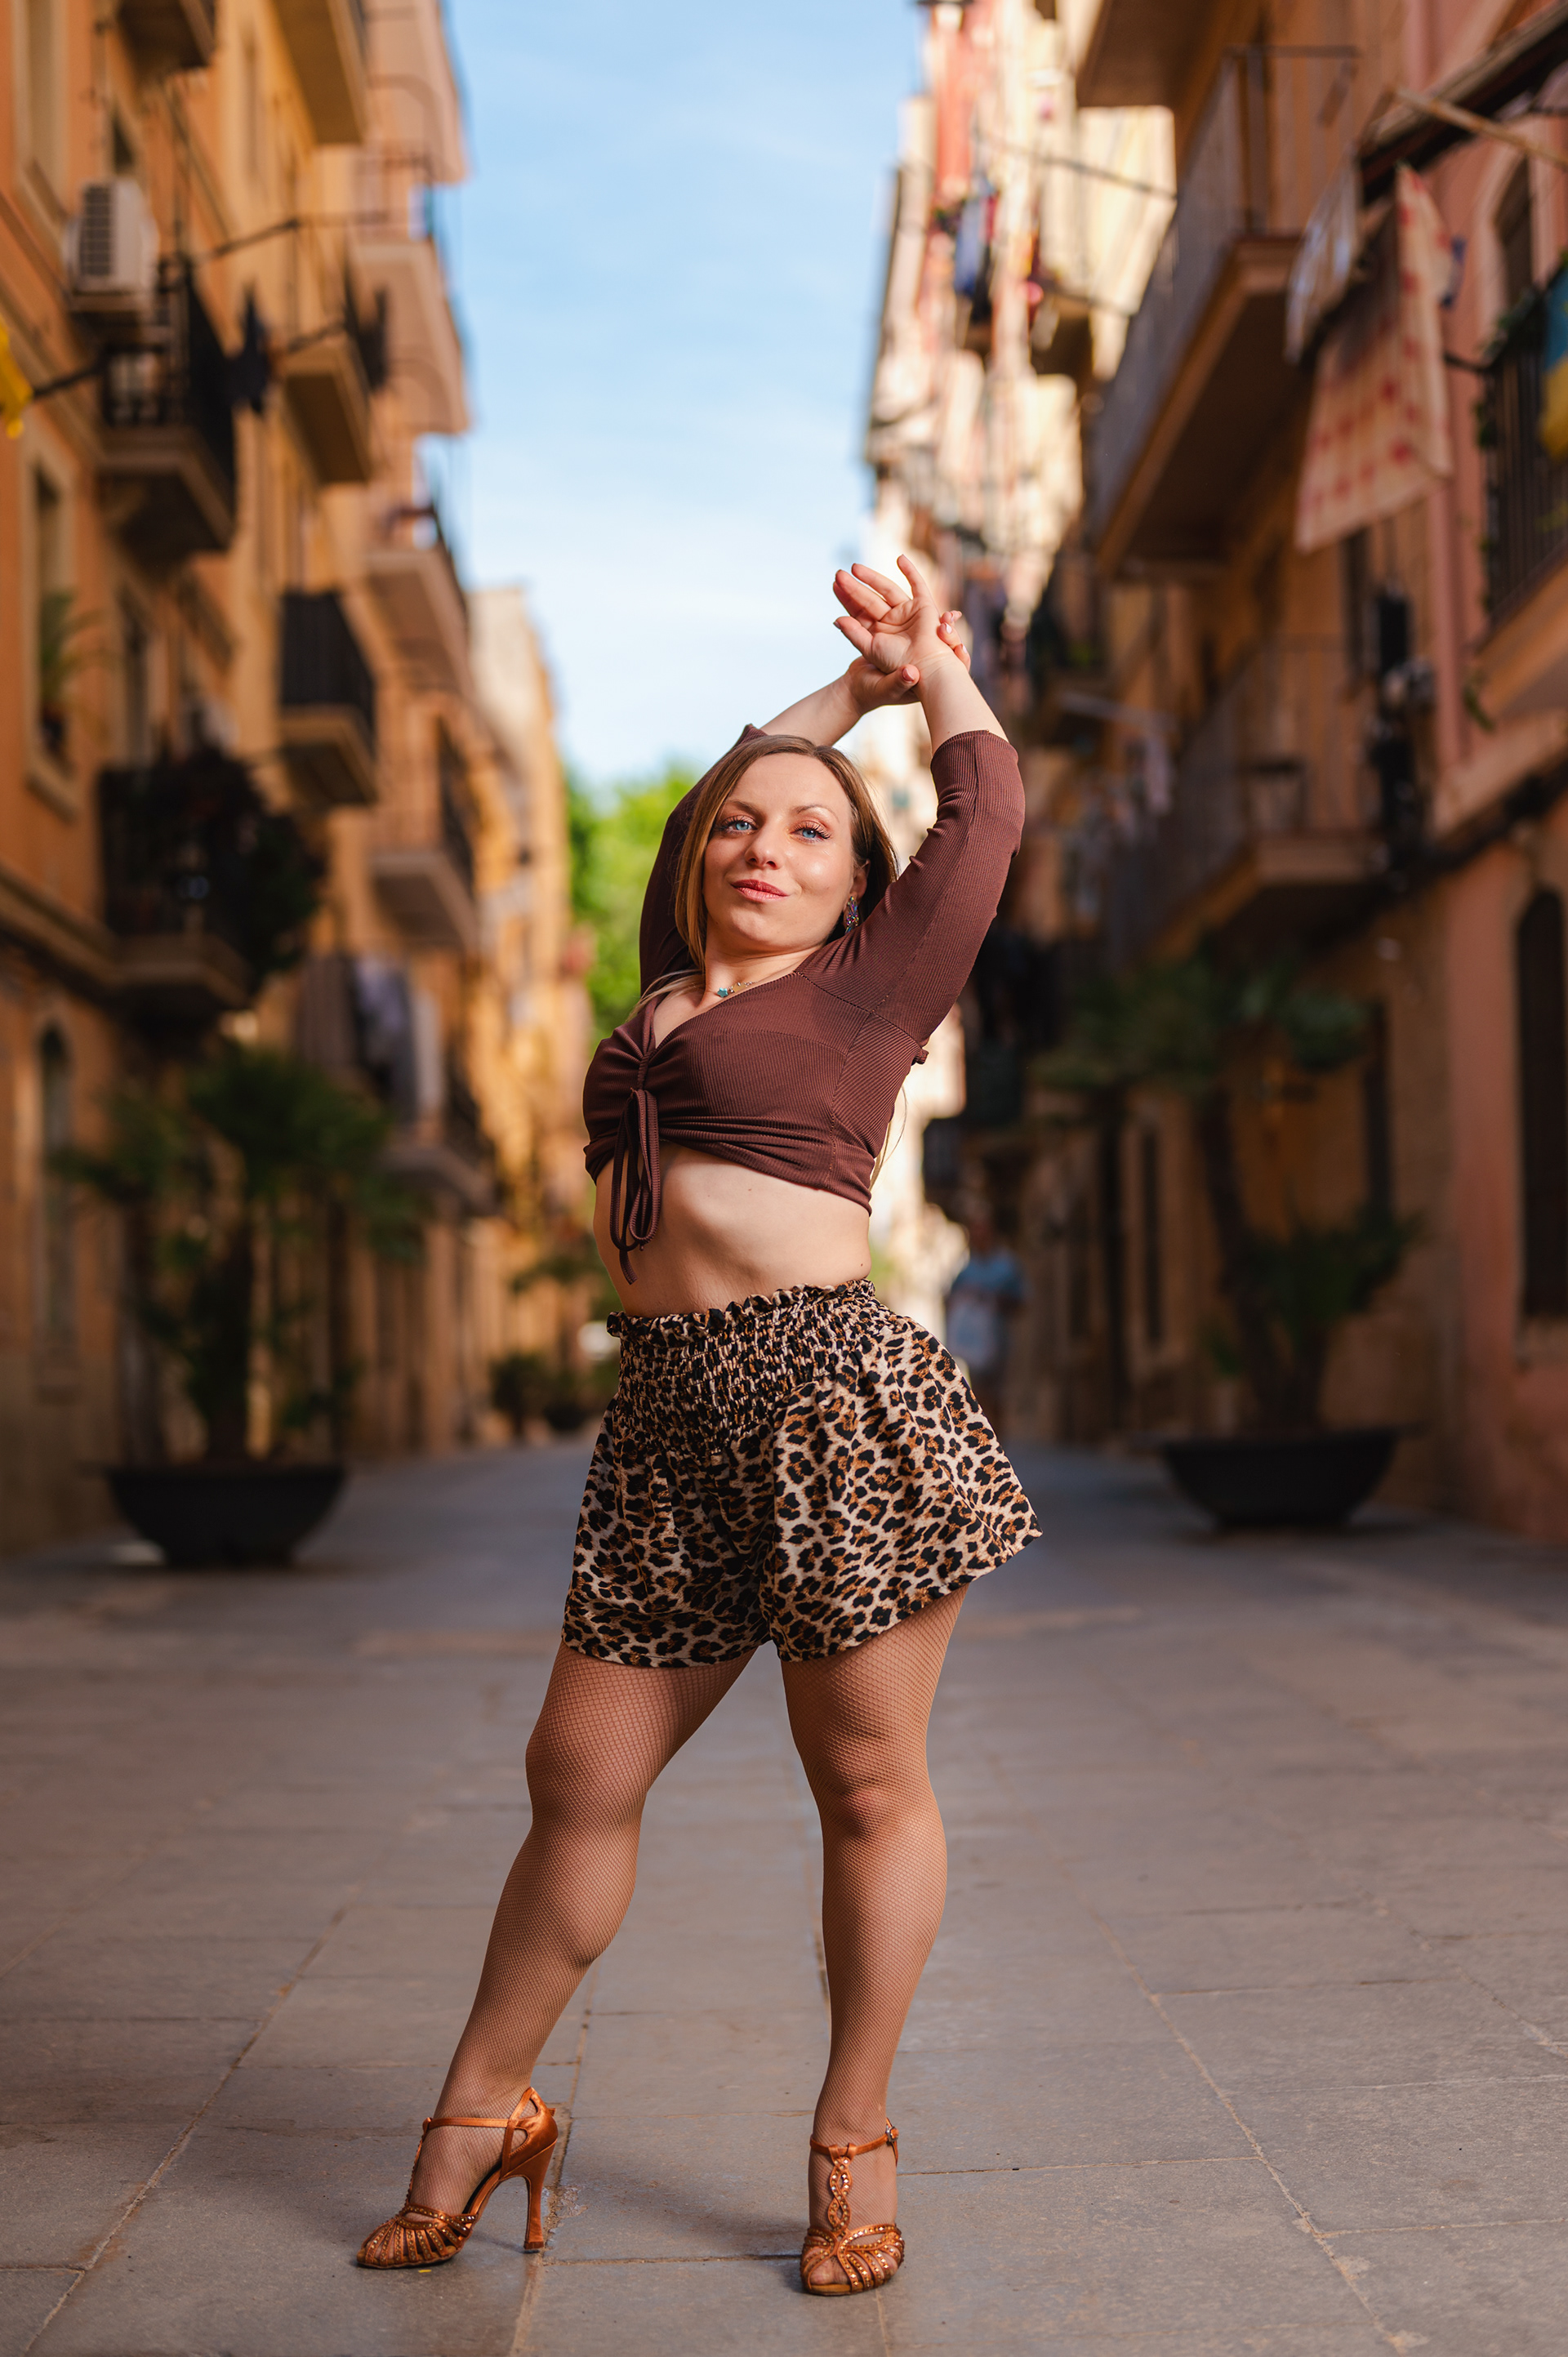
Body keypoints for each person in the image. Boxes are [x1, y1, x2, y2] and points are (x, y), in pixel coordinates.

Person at [357, 556, 1040, 2296]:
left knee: (864, 1783)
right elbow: (702, 805)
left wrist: (928, 674)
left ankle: (853, 2139)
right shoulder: (664, 991)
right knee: (577, 1777)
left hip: (832, 1406)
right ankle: (485, 2109)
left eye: (812, 834)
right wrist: (836, 707)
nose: (763, 846)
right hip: (663, 1418)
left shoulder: (871, 988)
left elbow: (986, 812)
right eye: (744, 826)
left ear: (860, 888)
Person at [945, 1210, 1026, 1432]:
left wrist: (996, 1301)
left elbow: (1021, 1301)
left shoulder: (1006, 1266)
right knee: (979, 1395)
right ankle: (986, 1439)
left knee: (998, 1395)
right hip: (975, 1346)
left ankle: (999, 1440)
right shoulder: (966, 1271)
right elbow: (951, 1300)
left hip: (1000, 1342)